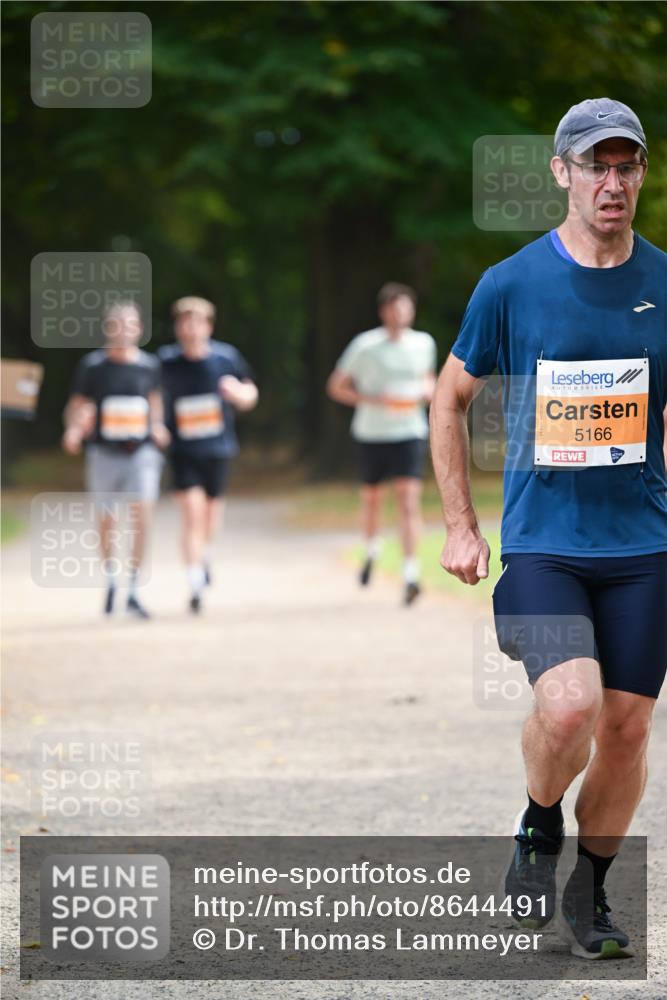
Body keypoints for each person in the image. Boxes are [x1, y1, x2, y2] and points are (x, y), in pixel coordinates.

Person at [430, 98, 666, 960]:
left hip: (643, 546)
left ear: (639, 174)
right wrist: (459, 526)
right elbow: (447, 398)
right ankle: (537, 827)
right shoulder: (510, 284)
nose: (612, 182)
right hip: (542, 546)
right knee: (567, 707)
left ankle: (590, 894)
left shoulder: (664, 283)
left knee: (629, 726)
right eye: (595, 165)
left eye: (626, 165)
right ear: (562, 172)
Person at [327, 283, 437, 606]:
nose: (399, 313)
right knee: (373, 500)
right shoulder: (365, 345)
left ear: (412, 311)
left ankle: (411, 574)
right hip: (371, 434)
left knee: (408, 503)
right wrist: (374, 399)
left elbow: (428, 377)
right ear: (383, 311)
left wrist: (426, 391)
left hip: (409, 432)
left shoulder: (423, 343)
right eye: (393, 307)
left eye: (404, 307)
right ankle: (372, 548)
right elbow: (336, 387)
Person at [62, 300, 169, 619]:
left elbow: (155, 403)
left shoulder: (149, 366)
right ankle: (111, 578)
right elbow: (76, 406)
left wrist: (158, 426)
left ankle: (134, 587)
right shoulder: (93, 366)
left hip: (141, 452)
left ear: (139, 329)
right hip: (104, 453)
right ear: (108, 329)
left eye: (130, 324)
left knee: (142, 513)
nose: (123, 330)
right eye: (117, 324)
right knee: (108, 519)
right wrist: (73, 429)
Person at [158, 296, 258, 613]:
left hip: (218, 448)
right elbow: (151, 396)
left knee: (211, 517)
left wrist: (240, 395)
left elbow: (250, 391)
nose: (190, 327)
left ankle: (205, 553)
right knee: (192, 514)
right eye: (184, 321)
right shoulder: (165, 362)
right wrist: (157, 424)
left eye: (196, 321)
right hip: (183, 450)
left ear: (208, 327)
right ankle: (195, 581)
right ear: (177, 327)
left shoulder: (226, 359)